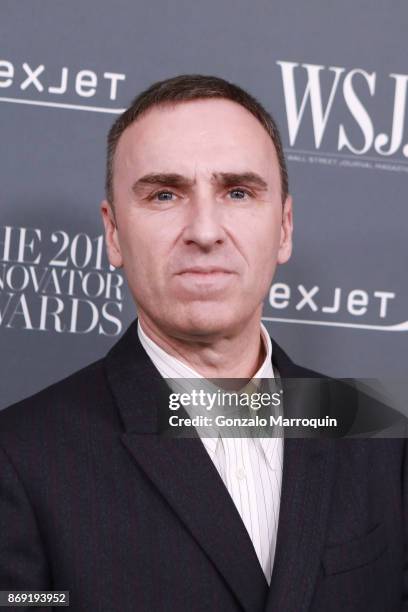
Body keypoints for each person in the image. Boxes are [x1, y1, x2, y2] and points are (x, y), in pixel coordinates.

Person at [0, 74, 406, 612]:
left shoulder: (371, 424)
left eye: (238, 192)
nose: (205, 230)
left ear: (284, 227)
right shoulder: (20, 456)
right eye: (165, 194)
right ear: (114, 234)